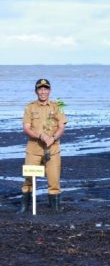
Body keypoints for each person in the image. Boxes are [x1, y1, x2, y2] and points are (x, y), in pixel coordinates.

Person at [19, 79, 68, 213]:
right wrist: (40, 136)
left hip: (53, 149)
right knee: (29, 179)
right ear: (36, 91)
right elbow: (26, 127)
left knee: (54, 181)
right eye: (40, 89)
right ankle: (24, 207)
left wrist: (53, 138)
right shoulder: (29, 107)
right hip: (33, 149)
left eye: (45, 89)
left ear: (50, 90)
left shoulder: (58, 105)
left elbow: (61, 126)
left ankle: (55, 209)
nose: (43, 92)